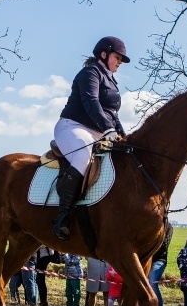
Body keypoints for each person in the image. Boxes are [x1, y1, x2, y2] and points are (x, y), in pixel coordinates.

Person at [52, 36, 129, 240]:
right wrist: (107, 129)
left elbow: (113, 114)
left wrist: (123, 136)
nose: (120, 61)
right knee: (82, 158)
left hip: (97, 131)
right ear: (103, 54)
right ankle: (63, 217)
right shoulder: (90, 72)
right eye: (117, 56)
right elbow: (91, 101)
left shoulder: (111, 80)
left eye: (121, 58)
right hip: (72, 126)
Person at [148, 222, 173, 306]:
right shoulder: (148, 224)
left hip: (159, 260)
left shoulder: (168, 226)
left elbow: (164, 244)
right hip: (146, 259)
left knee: (152, 282)